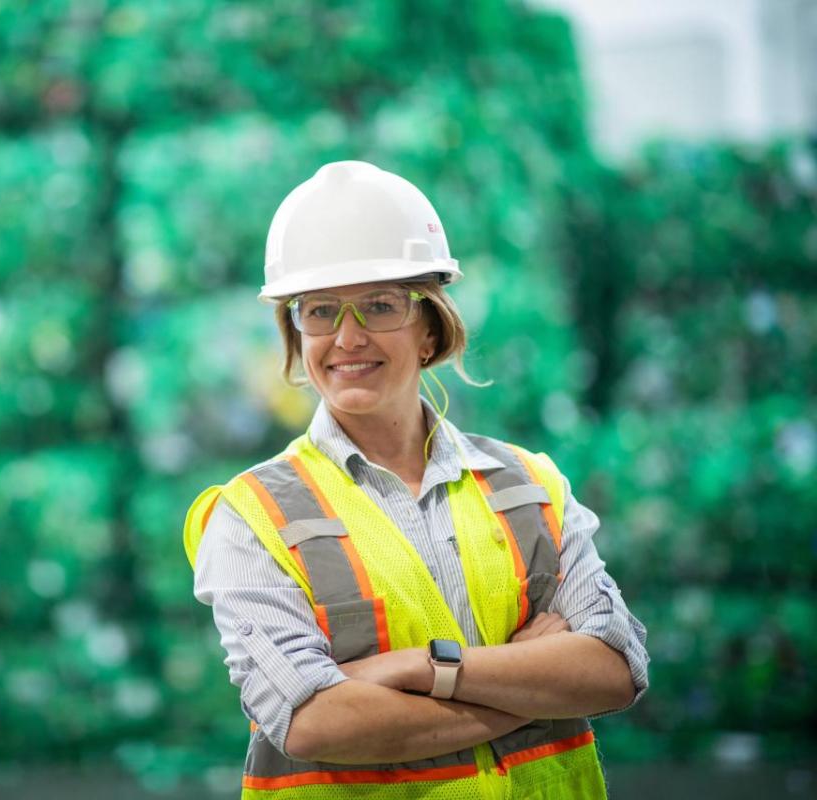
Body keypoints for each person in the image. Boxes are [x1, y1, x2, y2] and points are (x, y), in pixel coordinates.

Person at [182, 161, 649, 799]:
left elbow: (615, 669)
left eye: (380, 305)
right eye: (319, 311)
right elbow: (315, 720)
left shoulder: (529, 486)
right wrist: (531, 687)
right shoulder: (250, 517)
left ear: (431, 328)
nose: (348, 336)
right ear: (296, 334)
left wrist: (419, 670)